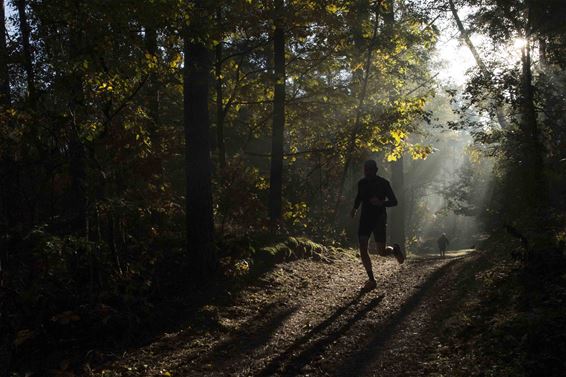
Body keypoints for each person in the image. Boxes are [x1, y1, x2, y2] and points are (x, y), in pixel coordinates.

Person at [350, 160, 405, 291]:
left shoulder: (384, 183)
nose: (367, 172)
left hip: (379, 218)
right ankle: (371, 279)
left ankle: (394, 250)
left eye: (370, 170)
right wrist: (355, 208)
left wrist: (381, 203)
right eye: (365, 169)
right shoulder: (361, 183)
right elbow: (359, 197)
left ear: (375, 170)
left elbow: (394, 201)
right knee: (363, 248)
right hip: (365, 219)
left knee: (381, 252)